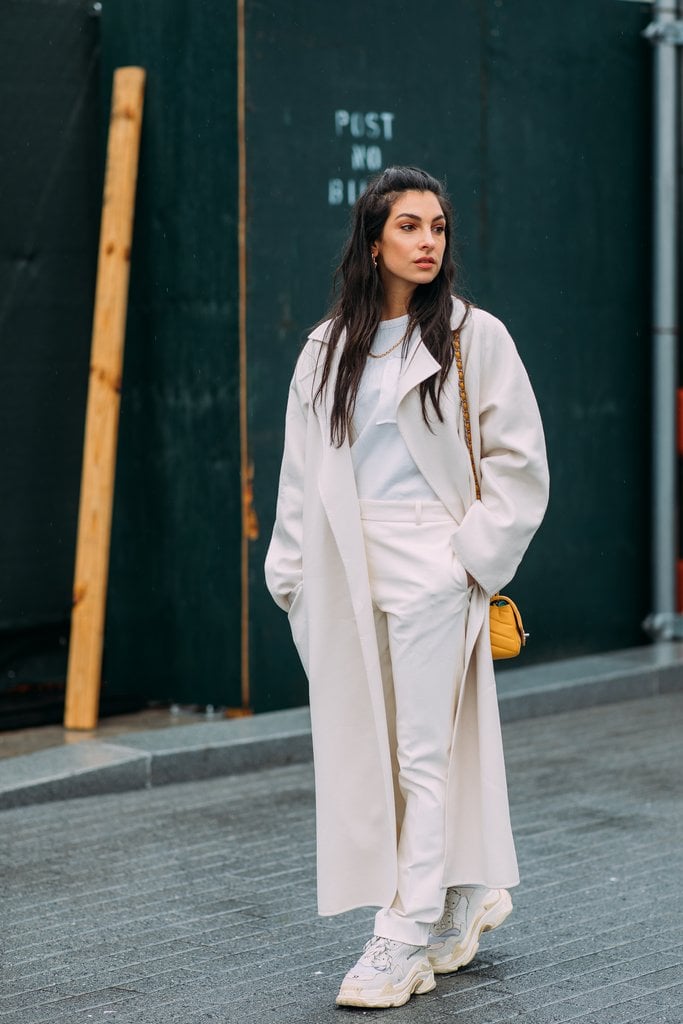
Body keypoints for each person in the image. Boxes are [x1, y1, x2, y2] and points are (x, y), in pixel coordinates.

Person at [264, 166, 549, 1009]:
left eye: (438, 228)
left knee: (421, 754)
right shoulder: (327, 347)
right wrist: (289, 574)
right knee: (369, 747)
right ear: (373, 239)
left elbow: (519, 462)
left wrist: (468, 559)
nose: (428, 242)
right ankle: (465, 891)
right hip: (345, 568)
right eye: (409, 227)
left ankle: (402, 931)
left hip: (434, 564)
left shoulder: (472, 337)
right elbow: (300, 470)